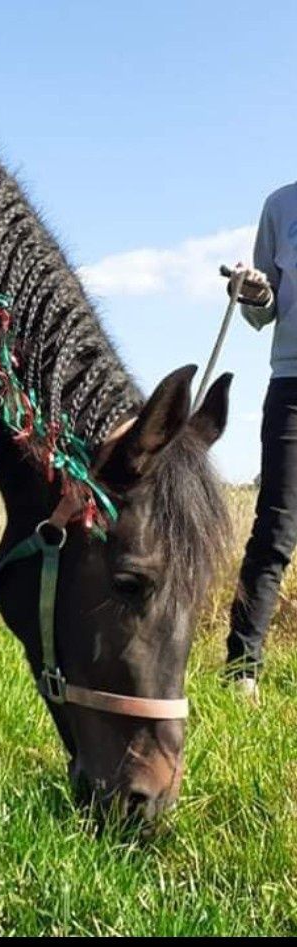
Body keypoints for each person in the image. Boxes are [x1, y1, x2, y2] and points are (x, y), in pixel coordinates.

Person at [226, 183, 297, 701]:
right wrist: (253, 293)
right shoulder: (280, 205)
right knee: (275, 528)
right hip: (292, 384)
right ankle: (241, 670)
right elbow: (262, 310)